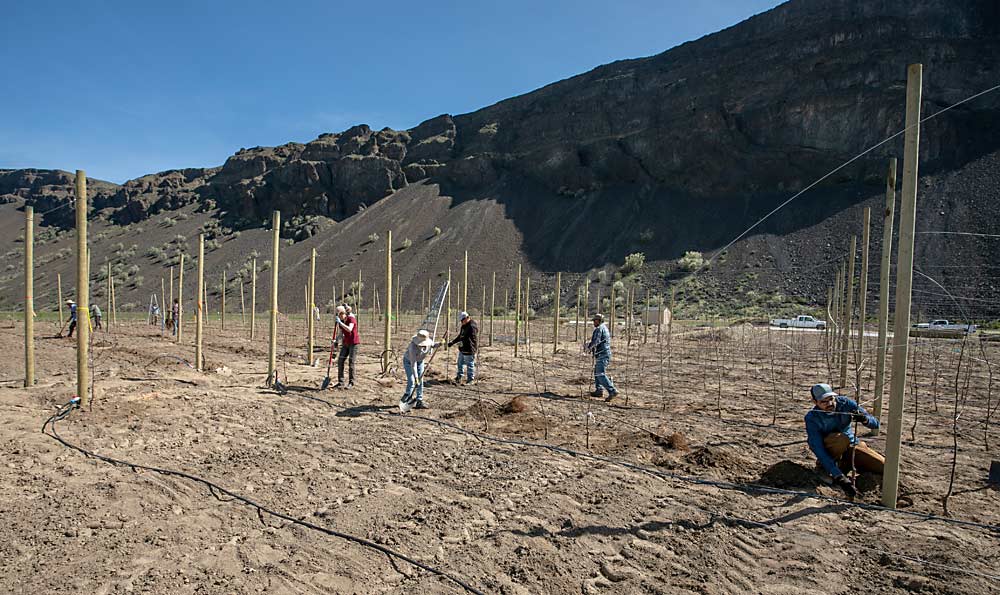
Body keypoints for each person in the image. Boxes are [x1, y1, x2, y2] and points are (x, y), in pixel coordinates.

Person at [806, 383, 883, 499]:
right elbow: (818, 448)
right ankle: (827, 468)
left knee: (883, 466)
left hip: (852, 446)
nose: (830, 404)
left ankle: (846, 465)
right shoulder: (812, 418)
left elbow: (875, 423)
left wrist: (864, 419)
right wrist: (839, 477)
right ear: (815, 402)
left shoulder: (846, 404)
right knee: (840, 439)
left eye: (831, 399)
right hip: (832, 450)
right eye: (824, 402)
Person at [402, 330, 442, 409]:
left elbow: (433, 345)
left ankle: (419, 401)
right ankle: (406, 399)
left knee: (421, 381)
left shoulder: (428, 343)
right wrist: (416, 377)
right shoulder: (412, 348)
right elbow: (413, 364)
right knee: (412, 381)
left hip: (420, 362)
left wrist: (440, 344)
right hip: (409, 362)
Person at [585, 313, 618, 401]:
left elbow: (596, 341)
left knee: (600, 373)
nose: (593, 322)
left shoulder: (599, 329)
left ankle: (612, 391)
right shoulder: (604, 328)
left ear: (599, 321)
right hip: (603, 353)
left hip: (602, 354)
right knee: (597, 372)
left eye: (595, 320)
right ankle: (599, 390)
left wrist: (588, 347)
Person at [448, 311, 478, 384]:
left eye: (462, 320)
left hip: (469, 349)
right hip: (462, 348)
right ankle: (459, 377)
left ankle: (470, 380)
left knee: (469, 364)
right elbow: (460, 336)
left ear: (467, 318)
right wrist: (453, 342)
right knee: (459, 363)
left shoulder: (472, 326)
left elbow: (471, 338)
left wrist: (463, 341)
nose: (461, 322)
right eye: (461, 321)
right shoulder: (464, 326)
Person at [334, 304, 360, 388]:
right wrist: (336, 341)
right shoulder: (341, 322)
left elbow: (349, 329)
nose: (339, 316)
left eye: (340, 314)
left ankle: (351, 382)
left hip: (353, 343)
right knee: (340, 361)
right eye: (338, 314)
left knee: (351, 362)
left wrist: (340, 323)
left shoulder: (351, 319)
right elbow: (341, 333)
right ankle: (340, 382)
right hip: (345, 344)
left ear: (344, 313)